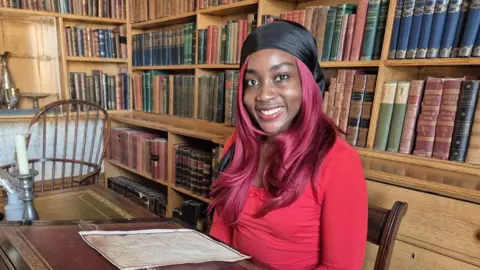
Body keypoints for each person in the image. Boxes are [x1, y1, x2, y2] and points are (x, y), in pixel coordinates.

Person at [209, 20, 368, 270]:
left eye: (281, 77)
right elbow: (222, 227)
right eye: (252, 82)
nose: (263, 94)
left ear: (307, 82)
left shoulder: (339, 162)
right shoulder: (240, 143)